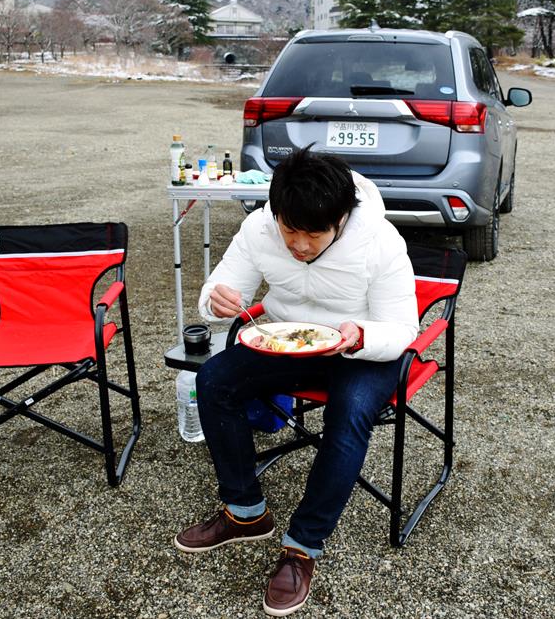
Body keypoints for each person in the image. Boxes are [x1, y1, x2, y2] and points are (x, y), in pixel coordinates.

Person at [174, 145, 418, 616]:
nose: (300, 245)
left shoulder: (381, 242)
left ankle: (303, 546)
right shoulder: (259, 228)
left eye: (314, 234)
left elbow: (402, 329)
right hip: (290, 339)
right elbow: (223, 287)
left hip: (362, 348)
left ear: (342, 219)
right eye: (290, 230)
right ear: (276, 213)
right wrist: (214, 300)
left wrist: (360, 335)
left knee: (348, 415)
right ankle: (245, 512)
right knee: (214, 380)